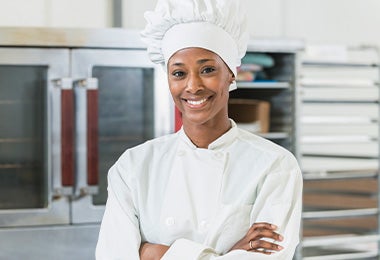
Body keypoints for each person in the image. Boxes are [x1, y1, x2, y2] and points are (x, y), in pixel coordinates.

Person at [95, 0, 303, 259]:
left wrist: (151, 253)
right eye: (179, 73)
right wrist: (227, 253)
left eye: (207, 70)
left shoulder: (275, 166)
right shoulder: (134, 166)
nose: (193, 86)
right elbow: (113, 255)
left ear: (231, 74)